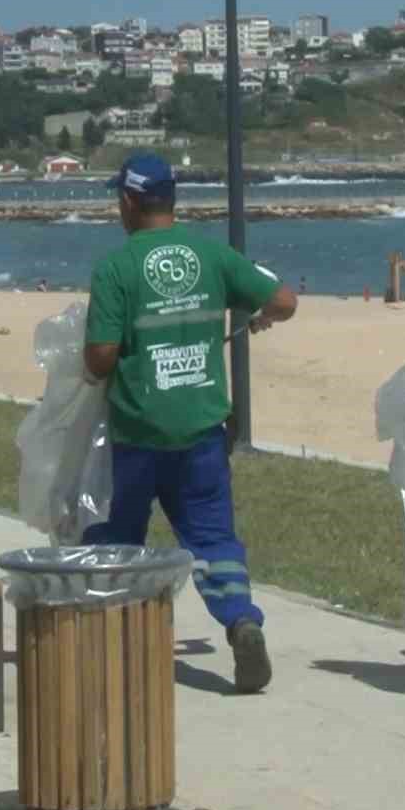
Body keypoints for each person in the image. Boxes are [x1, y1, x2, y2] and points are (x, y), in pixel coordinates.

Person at [82, 153, 298, 693]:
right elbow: (285, 300)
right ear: (171, 200)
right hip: (202, 431)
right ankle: (241, 619)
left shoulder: (117, 268)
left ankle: (115, 646)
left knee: (120, 539)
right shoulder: (212, 256)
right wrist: (260, 312)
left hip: (138, 434)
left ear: (129, 202)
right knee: (213, 539)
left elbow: (100, 357)